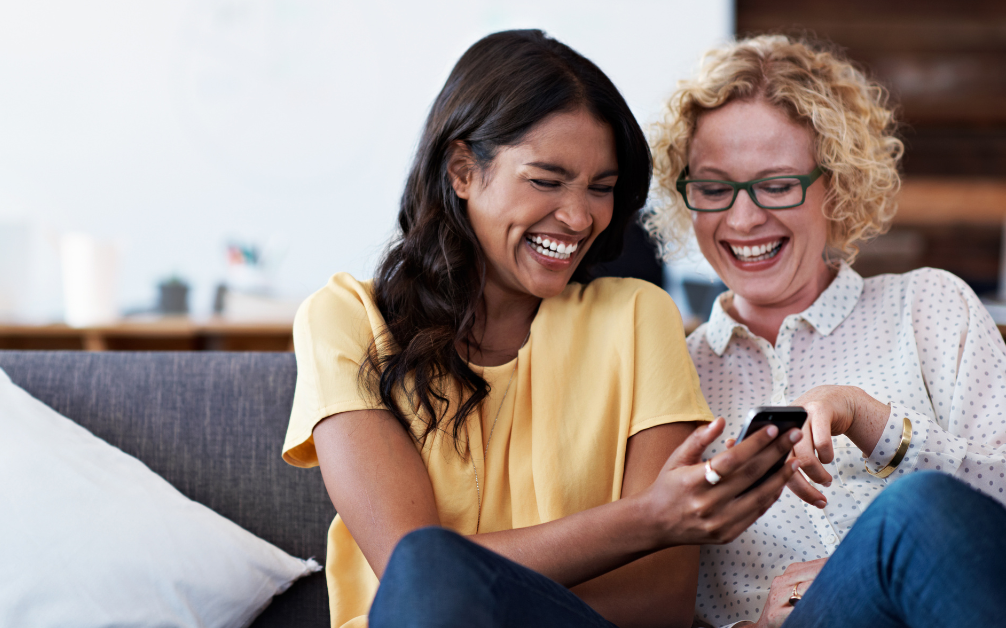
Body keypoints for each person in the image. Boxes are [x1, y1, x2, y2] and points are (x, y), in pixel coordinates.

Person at [281, 30, 802, 628]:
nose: (579, 218)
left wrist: (490, 599)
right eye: (547, 181)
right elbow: (414, 573)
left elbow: (660, 604)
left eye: (601, 189)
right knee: (428, 565)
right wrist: (649, 519)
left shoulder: (637, 318)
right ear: (462, 171)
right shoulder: (347, 319)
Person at [643, 35, 1006, 627]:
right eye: (713, 188)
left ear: (835, 184)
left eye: (776, 184)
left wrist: (869, 419)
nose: (743, 218)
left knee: (911, 507)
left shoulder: (928, 307)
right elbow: (657, 599)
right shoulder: (673, 377)